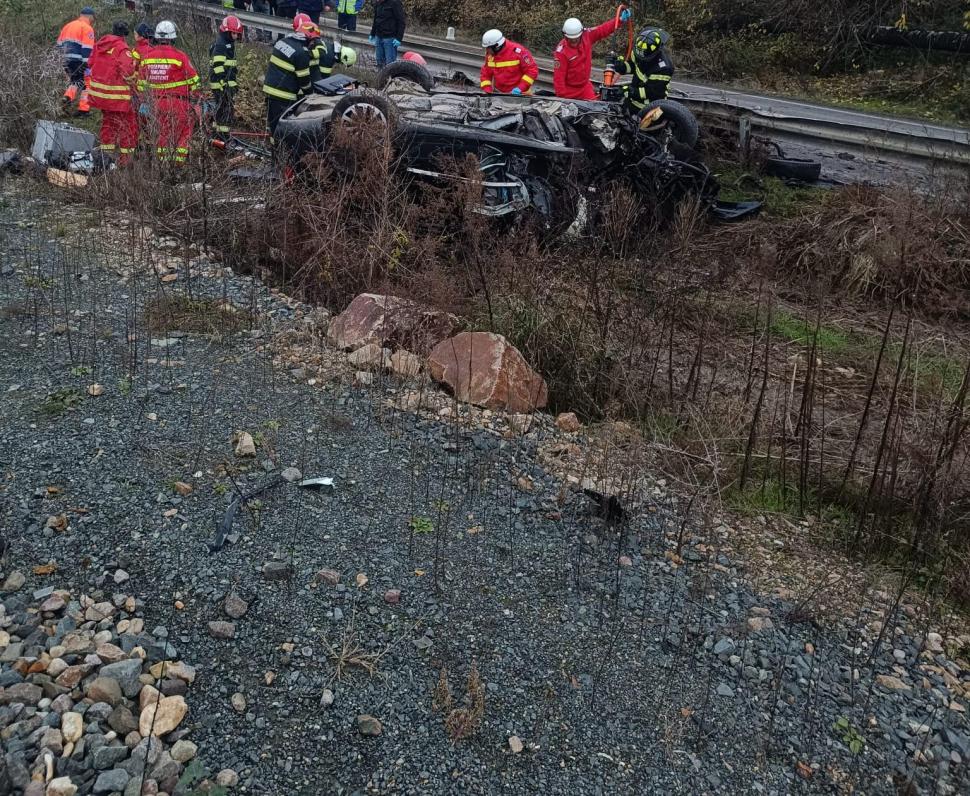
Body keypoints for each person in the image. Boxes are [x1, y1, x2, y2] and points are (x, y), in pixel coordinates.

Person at [139, 21, 200, 163]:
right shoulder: (180, 57)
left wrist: (146, 100)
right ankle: (178, 167)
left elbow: (141, 85)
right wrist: (196, 96)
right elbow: (194, 80)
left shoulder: (147, 57)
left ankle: (164, 166)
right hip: (178, 103)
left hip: (156, 103)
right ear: (173, 38)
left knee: (162, 134)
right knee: (183, 133)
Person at [552, 10, 631, 101]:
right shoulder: (561, 52)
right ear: (565, 36)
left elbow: (603, 29)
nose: (573, 43)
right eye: (570, 40)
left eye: (576, 40)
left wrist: (620, 20)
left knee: (595, 110)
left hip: (584, 87)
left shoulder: (587, 35)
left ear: (581, 34)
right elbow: (558, 79)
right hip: (569, 91)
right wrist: (562, 98)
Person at [87, 20, 138, 163]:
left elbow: (90, 63)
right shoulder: (123, 48)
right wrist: (135, 75)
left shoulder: (100, 44)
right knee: (127, 126)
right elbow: (127, 72)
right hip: (118, 98)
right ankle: (125, 161)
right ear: (125, 34)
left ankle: (105, 158)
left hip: (101, 97)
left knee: (108, 124)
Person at [263, 13, 316, 134]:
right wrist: (311, 95)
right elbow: (304, 81)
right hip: (284, 95)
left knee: (273, 126)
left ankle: (274, 150)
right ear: (308, 37)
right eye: (313, 41)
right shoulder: (302, 53)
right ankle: (281, 151)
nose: (313, 44)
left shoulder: (282, 41)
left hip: (270, 90)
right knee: (282, 129)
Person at [616, 28, 674, 113]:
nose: (641, 59)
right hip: (632, 101)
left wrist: (630, 91)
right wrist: (621, 66)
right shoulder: (640, 51)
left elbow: (652, 92)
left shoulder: (663, 68)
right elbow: (633, 65)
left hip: (649, 108)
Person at [57, 6, 97, 114]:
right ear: (91, 17)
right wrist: (86, 63)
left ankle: (67, 97)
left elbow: (59, 44)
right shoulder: (87, 28)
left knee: (76, 80)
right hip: (78, 60)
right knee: (87, 83)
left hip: (65, 60)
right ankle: (84, 109)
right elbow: (87, 48)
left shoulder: (67, 26)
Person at [209, 15, 244, 138]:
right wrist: (224, 85)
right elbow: (218, 67)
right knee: (224, 110)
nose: (235, 36)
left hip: (225, 84)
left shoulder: (227, 43)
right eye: (233, 33)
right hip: (220, 85)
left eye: (237, 34)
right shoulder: (221, 44)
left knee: (224, 109)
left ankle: (220, 133)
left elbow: (231, 68)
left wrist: (233, 85)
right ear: (226, 31)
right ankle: (222, 136)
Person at [479, 29, 537, 95]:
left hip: (521, 94)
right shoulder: (490, 55)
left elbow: (532, 71)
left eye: (488, 48)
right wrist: (487, 90)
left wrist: (521, 88)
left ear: (497, 47)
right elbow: (485, 74)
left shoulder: (519, 52)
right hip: (499, 94)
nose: (487, 50)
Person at [369, 0, 405, 70]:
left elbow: (401, 21)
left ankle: (390, 79)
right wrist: (372, 33)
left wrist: (399, 38)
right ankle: (381, 79)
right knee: (379, 61)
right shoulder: (378, 3)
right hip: (378, 36)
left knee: (390, 64)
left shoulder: (395, 3)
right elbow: (376, 19)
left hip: (390, 38)